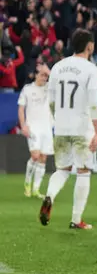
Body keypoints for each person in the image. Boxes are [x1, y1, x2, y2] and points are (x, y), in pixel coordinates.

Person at [40, 30, 97, 229]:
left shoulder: (57, 67)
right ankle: (76, 220)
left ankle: (49, 195)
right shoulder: (91, 69)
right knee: (83, 172)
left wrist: (59, 118)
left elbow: (50, 100)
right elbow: (93, 101)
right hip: (82, 127)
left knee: (62, 170)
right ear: (89, 46)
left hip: (62, 126)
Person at [18, 63, 53, 198]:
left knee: (43, 158)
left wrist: (47, 71)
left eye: (45, 75)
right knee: (35, 156)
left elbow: (55, 79)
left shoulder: (49, 88)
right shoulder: (27, 89)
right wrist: (23, 125)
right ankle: (27, 183)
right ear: (35, 75)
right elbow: (21, 108)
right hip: (33, 127)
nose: (44, 78)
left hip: (47, 127)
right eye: (42, 75)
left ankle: (36, 189)